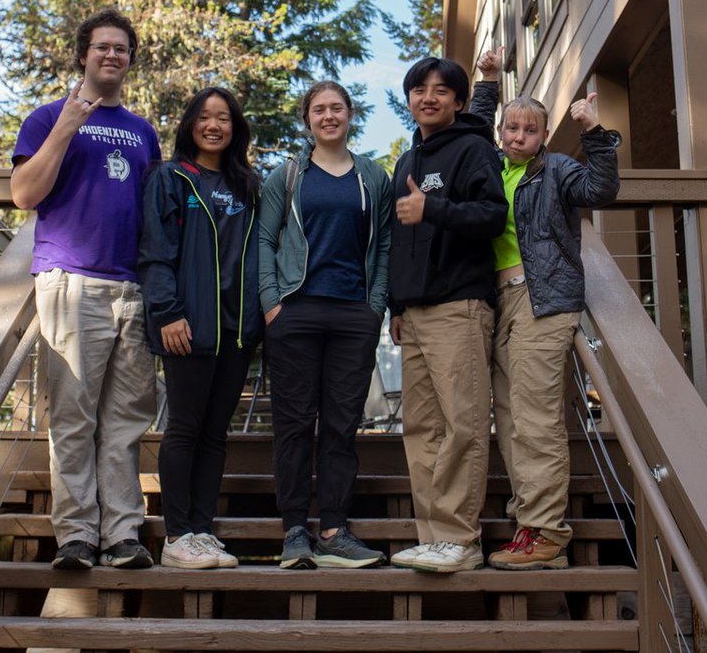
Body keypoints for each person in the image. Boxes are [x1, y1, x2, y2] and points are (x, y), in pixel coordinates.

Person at [11, 8, 159, 570]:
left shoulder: (143, 132)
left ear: (129, 60)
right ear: (83, 55)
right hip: (71, 281)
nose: (112, 56)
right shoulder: (48, 116)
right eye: (102, 47)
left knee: (126, 419)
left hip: (132, 289)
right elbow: (24, 194)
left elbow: (151, 212)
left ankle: (122, 533)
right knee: (74, 416)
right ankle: (75, 533)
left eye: (121, 49)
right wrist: (68, 125)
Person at [471, 48, 620, 570]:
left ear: (543, 135)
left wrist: (595, 133)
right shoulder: (489, 169)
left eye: (529, 130)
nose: (517, 137)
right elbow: (471, 127)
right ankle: (527, 527)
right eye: (510, 128)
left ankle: (546, 532)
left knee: (535, 419)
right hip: (500, 305)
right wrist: (487, 79)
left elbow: (601, 188)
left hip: (544, 301)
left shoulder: (555, 169)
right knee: (512, 420)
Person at [258, 81, 392, 570]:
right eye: (319, 109)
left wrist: (374, 306)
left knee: (340, 426)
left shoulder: (374, 177)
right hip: (295, 312)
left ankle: (335, 529)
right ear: (307, 119)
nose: (329, 116)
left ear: (350, 114)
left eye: (337, 108)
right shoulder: (288, 176)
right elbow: (264, 242)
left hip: (353, 315)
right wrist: (272, 303)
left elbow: (383, 248)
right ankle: (295, 529)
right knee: (294, 425)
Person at [387, 57, 508, 574]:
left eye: (441, 91)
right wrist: (395, 305)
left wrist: (433, 209)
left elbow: (492, 215)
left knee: (462, 425)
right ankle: (432, 537)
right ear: (410, 99)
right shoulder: (406, 160)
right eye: (419, 89)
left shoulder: (473, 148)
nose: (429, 97)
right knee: (421, 429)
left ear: (459, 102)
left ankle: (461, 538)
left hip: (459, 305)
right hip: (413, 313)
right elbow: (398, 241)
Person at [138, 87, 262, 569]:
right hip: (187, 326)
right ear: (191, 123)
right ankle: (177, 535)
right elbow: (155, 252)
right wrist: (167, 312)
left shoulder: (247, 184)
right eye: (206, 117)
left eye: (225, 118)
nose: (215, 125)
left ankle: (203, 531)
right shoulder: (170, 178)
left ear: (235, 128)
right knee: (185, 429)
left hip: (237, 331)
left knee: (216, 433)